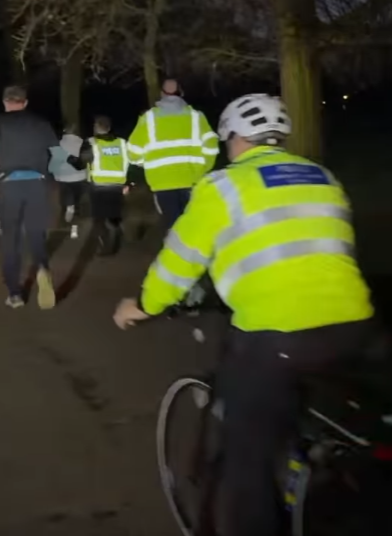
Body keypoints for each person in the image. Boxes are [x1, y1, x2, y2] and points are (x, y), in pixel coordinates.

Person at [114, 93, 375, 536]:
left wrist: (143, 305)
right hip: (355, 324)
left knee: (245, 458)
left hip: (276, 336)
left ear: (235, 139)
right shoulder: (323, 177)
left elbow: (179, 261)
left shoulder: (222, 187)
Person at [0, 85, 84, 310]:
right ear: (25, 103)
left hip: (9, 186)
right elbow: (57, 155)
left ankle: (14, 294)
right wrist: (52, 173)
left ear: (5, 102)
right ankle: (43, 269)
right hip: (37, 184)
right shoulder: (41, 124)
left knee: (11, 240)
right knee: (36, 235)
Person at [127, 79, 219, 308]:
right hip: (192, 182)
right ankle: (199, 284)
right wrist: (200, 169)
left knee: (174, 233)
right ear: (182, 92)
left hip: (163, 184)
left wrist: (151, 161)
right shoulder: (196, 117)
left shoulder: (148, 119)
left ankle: (180, 288)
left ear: (161, 94)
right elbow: (212, 148)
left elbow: (133, 154)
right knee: (194, 233)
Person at [78, 115, 130, 256]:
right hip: (117, 185)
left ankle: (106, 248)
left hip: (98, 185)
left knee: (99, 218)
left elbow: (81, 160)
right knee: (114, 215)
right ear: (108, 127)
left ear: (96, 127)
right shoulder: (121, 143)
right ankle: (116, 230)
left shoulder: (92, 143)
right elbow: (130, 161)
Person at [54, 127, 88, 239]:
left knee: (64, 200)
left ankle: (67, 211)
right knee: (78, 202)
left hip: (62, 177)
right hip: (79, 177)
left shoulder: (58, 143)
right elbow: (86, 158)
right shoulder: (82, 143)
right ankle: (74, 229)